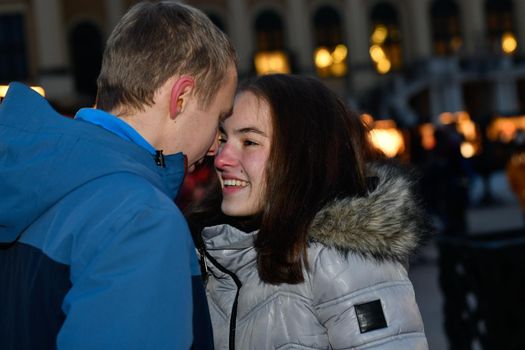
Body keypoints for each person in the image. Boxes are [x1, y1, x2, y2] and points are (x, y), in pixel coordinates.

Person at [0, 1, 237, 349]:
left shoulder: (35, 178)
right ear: (181, 97)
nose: (217, 145)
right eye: (219, 119)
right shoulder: (141, 219)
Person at [186, 74, 430, 349]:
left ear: (302, 156)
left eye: (250, 142)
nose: (221, 158)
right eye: (223, 139)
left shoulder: (341, 260)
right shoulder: (214, 251)